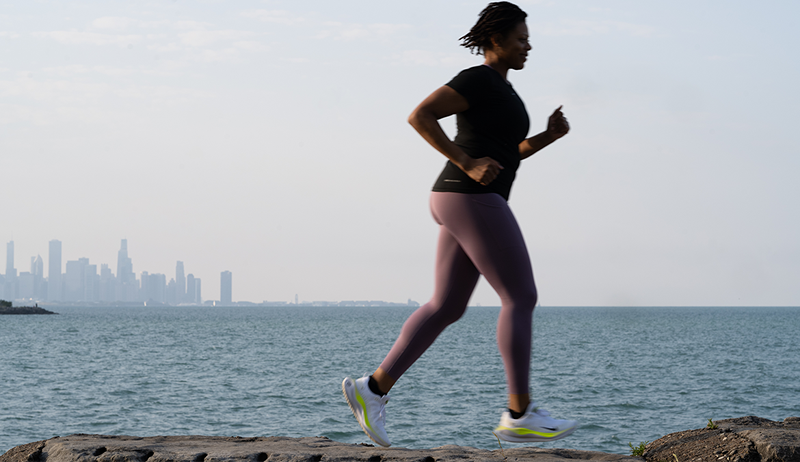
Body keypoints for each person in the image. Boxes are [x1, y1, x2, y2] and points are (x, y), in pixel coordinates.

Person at [342, 1, 578, 447]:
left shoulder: (505, 91)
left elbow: (507, 155)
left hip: (459, 198)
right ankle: (519, 413)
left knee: (447, 305)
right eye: (521, 38)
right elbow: (420, 115)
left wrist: (548, 136)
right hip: (468, 196)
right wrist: (465, 162)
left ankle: (371, 389)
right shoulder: (477, 79)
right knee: (521, 295)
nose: (528, 46)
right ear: (495, 41)